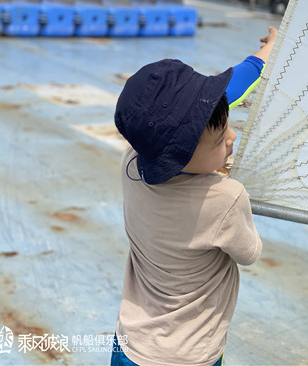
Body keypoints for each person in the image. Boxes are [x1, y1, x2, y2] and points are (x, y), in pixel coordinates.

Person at [111, 26, 279, 366]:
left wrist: (263, 57)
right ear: (180, 155)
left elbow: (218, 101)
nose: (232, 137)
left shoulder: (134, 159)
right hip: (189, 355)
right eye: (219, 142)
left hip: (131, 345)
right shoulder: (225, 198)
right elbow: (249, 252)